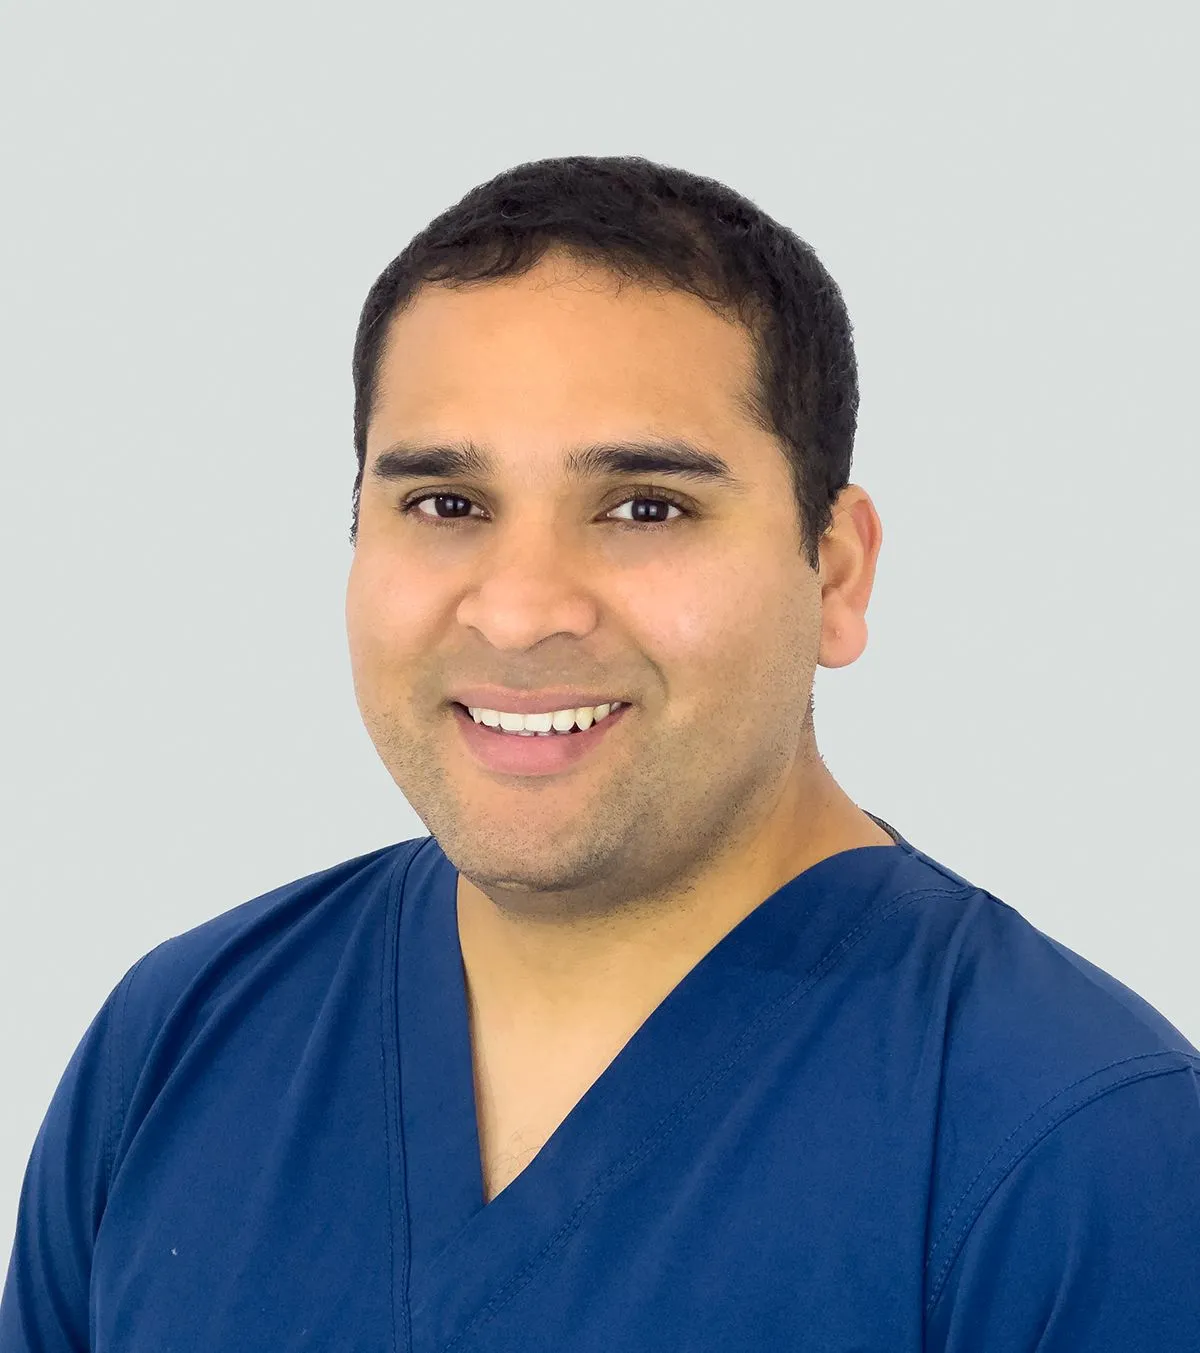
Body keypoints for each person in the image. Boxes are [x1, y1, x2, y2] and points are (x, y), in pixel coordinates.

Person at [3, 154, 1198, 1352]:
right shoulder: (178, 1044)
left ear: (835, 572)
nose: (521, 612)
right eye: (447, 504)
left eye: (645, 508)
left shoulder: (1079, 1149)